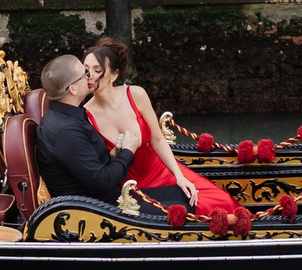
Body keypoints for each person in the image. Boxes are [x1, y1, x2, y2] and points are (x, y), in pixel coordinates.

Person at [83, 38, 232, 219]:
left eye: (97, 70)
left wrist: (178, 176)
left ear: (114, 75)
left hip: (162, 170)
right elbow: (98, 166)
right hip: (129, 186)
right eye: (85, 70)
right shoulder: (85, 115)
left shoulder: (135, 94)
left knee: (218, 202)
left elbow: (157, 139)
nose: (88, 75)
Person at [34, 53, 145, 204]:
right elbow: (102, 182)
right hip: (101, 212)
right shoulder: (66, 131)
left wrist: (114, 154)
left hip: (106, 200)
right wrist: (128, 151)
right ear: (72, 89)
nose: (90, 76)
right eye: (85, 73)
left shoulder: (64, 118)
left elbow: (88, 166)